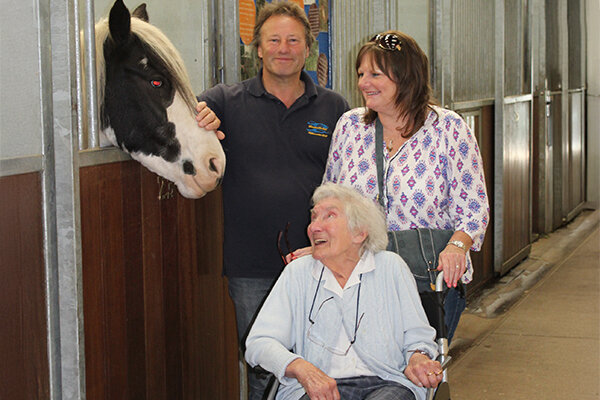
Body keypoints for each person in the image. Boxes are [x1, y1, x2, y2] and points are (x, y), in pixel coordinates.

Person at [196, 2, 349, 398]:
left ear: (308, 48)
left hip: (322, 259)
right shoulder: (225, 102)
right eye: (274, 40)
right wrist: (201, 118)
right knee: (262, 363)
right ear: (258, 49)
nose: (284, 48)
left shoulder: (334, 108)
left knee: (325, 358)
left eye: (294, 40)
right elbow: (181, 120)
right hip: (252, 265)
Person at [318, 31, 490, 342]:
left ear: (406, 77)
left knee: (417, 371)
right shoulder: (350, 127)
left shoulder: (448, 129)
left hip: (427, 280)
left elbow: (474, 209)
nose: (363, 83)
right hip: (358, 278)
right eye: (360, 74)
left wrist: (457, 247)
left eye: (375, 74)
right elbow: (329, 200)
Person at [246, 183, 443, 400]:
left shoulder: (391, 267)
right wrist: (302, 368)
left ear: (359, 233)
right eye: (313, 218)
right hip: (317, 389)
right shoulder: (298, 273)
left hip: (386, 382)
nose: (314, 227)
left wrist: (417, 357)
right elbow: (259, 343)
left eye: (329, 216)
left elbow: (418, 337)